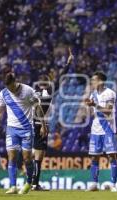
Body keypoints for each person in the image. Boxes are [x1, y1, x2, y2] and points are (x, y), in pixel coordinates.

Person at [0, 72, 48, 194]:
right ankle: (13, 186)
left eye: (11, 87)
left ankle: (29, 182)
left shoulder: (28, 91)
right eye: (7, 87)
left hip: (27, 129)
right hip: (12, 129)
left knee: (27, 158)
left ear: (15, 82)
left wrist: (43, 125)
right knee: (11, 157)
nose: (10, 90)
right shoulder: (3, 93)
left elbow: (38, 108)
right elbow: (0, 112)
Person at [31, 48, 74, 190]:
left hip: (35, 123)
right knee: (38, 155)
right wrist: (68, 64)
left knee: (39, 154)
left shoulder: (34, 92)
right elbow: (62, 77)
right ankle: (34, 183)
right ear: (48, 82)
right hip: (39, 124)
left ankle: (34, 182)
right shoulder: (48, 91)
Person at [85, 71, 117, 192]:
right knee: (94, 158)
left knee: (111, 156)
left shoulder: (110, 93)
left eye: (94, 80)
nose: (92, 82)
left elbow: (108, 111)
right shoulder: (93, 94)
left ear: (101, 81)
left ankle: (114, 184)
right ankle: (94, 184)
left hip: (108, 128)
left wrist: (95, 105)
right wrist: (89, 106)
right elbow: (91, 111)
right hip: (96, 129)